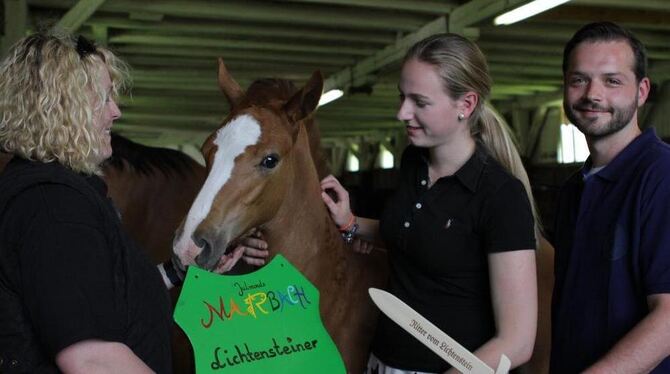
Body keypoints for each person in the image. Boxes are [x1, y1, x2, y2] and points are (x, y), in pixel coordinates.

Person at [0, 32, 262, 373]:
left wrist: (177, 270)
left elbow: (104, 294)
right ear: (63, 106)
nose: (116, 112)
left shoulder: (55, 194)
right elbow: (91, 360)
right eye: (104, 98)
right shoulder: (54, 208)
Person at [320, 33, 539, 373]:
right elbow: (418, 236)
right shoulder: (413, 163)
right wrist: (351, 222)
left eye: (419, 102)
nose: (401, 113)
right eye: (402, 97)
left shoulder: (500, 196)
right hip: (381, 364)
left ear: (465, 105)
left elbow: (519, 342)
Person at [551, 21, 670, 373]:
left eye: (612, 80)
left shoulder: (661, 176)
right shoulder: (575, 188)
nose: (593, 94)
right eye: (579, 80)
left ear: (642, 91)